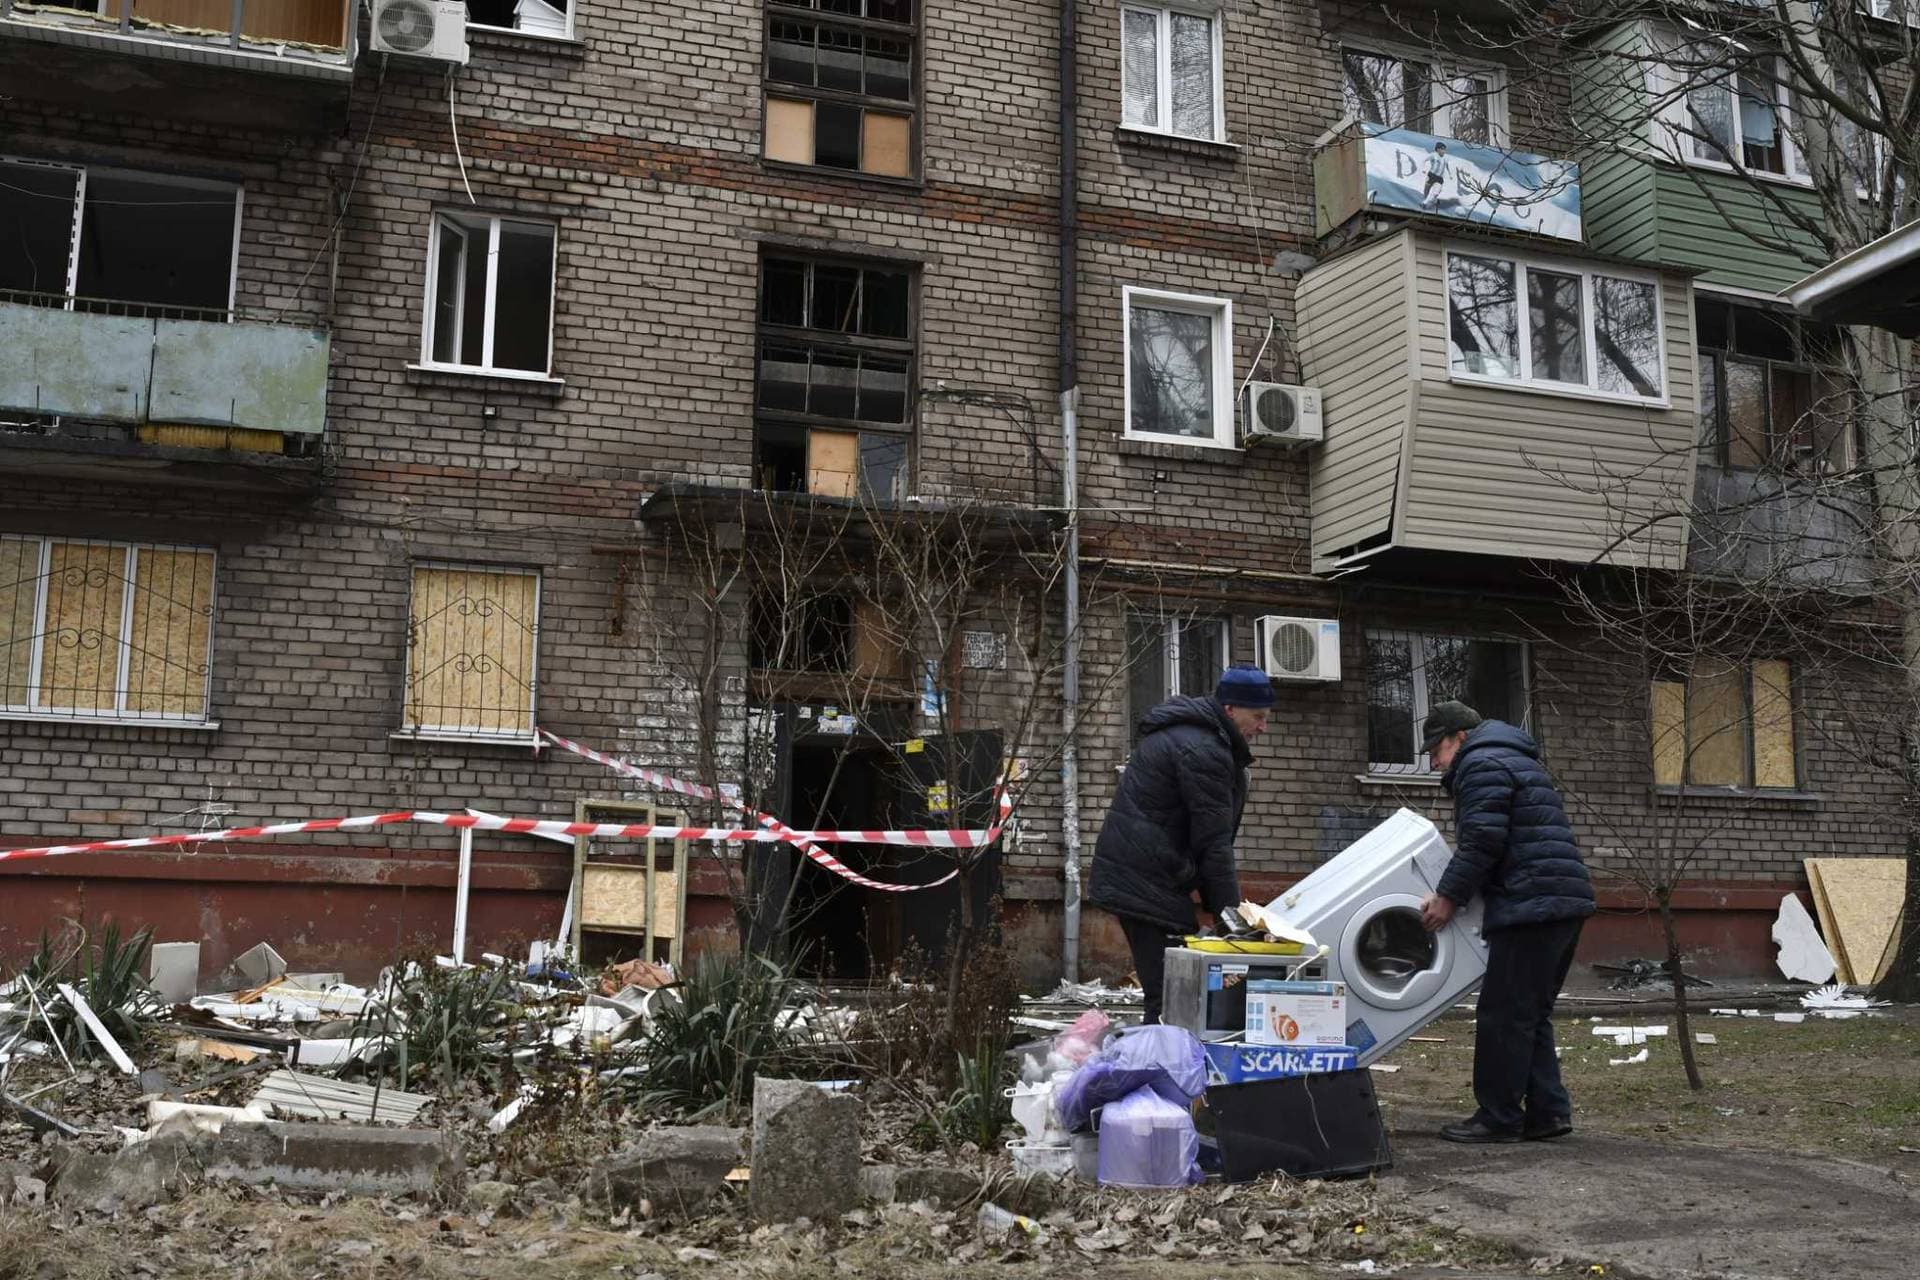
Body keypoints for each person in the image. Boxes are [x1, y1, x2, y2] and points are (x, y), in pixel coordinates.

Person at [1418, 700, 1594, 1144]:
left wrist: (1448, 897)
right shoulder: (1512, 757)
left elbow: (1482, 840)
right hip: (1561, 901)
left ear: (1458, 737)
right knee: (1529, 1014)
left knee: (1502, 1014)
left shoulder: (1481, 763)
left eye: (1435, 751)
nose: (1436, 763)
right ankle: (1548, 1112)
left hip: (1531, 903)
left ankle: (1497, 1117)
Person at [1087, 664, 1274, 1024]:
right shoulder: (1205, 749)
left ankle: (1161, 1069)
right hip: (1144, 882)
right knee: (1172, 998)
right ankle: (1159, 1073)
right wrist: (1230, 920)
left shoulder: (1194, 737)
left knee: (1173, 992)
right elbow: (1214, 843)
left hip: (1142, 877)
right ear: (1231, 709)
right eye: (1258, 716)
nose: (1263, 727)